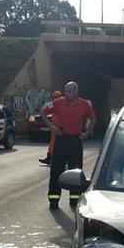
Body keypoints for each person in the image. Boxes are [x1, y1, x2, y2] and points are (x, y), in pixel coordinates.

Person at [41, 81, 96, 210]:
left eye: (71, 91)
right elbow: (43, 111)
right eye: (66, 91)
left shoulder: (84, 104)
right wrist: (52, 127)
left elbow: (93, 118)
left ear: (77, 91)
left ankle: (74, 200)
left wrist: (87, 133)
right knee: (56, 170)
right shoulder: (58, 102)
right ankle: (53, 200)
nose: (68, 94)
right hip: (61, 139)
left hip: (75, 140)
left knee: (75, 173)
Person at [39, 91, 63, 165]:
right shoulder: (56, 103)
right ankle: (50, 158)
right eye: (53, 97)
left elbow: (44, 110)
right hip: (55, 126)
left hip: (59, 127)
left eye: (55, 97)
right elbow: (44, 111)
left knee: (57, 144)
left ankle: (55, 159)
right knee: (52, 143)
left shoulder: (58, 103)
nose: (53, 99)